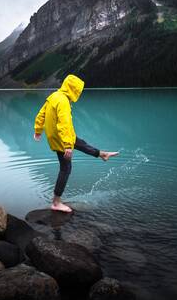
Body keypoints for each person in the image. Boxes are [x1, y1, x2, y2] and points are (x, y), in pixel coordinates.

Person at [34, 73, 119, 213]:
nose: (79, 93)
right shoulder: (63, 102)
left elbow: (41, 114)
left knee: (79, 142)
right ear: (73, 89)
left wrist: (38, 130)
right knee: (66, 168)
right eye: (78, 90)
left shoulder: (54, 96)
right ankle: (56, 202)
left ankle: (102, 154)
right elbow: (64, 123)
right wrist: (67, 145)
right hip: (61, 137)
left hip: (58, 135)